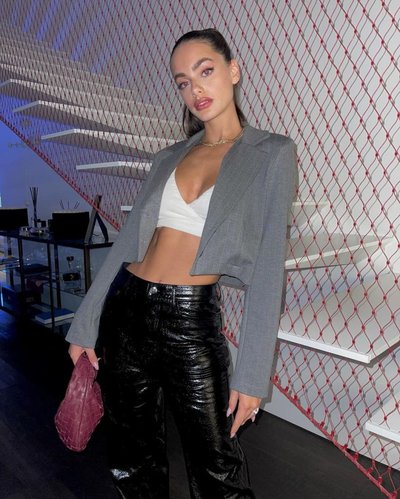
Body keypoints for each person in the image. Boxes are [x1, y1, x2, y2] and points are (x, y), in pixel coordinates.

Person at [66, 28, 297, 499]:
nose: (196, 89)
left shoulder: (272, 152)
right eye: (183, 81)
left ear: (233, 71)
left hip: (190, 320)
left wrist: (252, 375)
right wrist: (84, 325)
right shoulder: (168, 157)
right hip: (126, 312)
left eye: (205, 71)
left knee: (218, 467)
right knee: (132, 460)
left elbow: (269, 269)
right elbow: (126, 245)